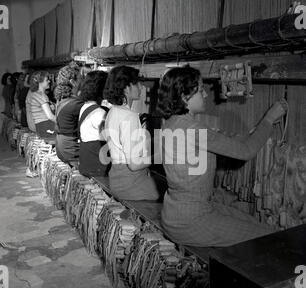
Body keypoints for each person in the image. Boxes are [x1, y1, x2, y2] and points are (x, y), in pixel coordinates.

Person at [157, 66, 287, 247]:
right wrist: (269, 119)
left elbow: (217, 140)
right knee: (270, 238)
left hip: (174, 212)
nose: (205, 95)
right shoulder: (194, 129)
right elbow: (246, 152)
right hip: (192, 221)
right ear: (184, 96)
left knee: (255, 224)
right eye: (200, 90)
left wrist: (250, 134)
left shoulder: (169, 123)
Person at [104, 65, 159, 201]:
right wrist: (160, 156)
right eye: (137, 83)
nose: (141, 87)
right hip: (131, 182)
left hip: (117, 176)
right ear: (126, 88)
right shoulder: (129, 116)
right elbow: (134, 165)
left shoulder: (113, 111)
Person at [78, 71, 109, 177]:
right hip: (97, 167)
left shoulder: (85, 106)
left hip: (85, 163)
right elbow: (111, 140)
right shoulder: (100, 113)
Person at [54, 62, 83, 166]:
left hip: (61, 145)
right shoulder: (75, 104)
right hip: (70, 149)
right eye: (80, 78)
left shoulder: (62, 98)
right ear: (72, 82)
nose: (82, 81)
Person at [25, 71, 56, 138]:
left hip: (39, 126)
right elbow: (50, 116)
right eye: (47, 80)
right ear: (40, 82)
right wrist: (62, 122)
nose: (49, 82)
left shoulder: (35, 93)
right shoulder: (41, 95)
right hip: (45, 125)